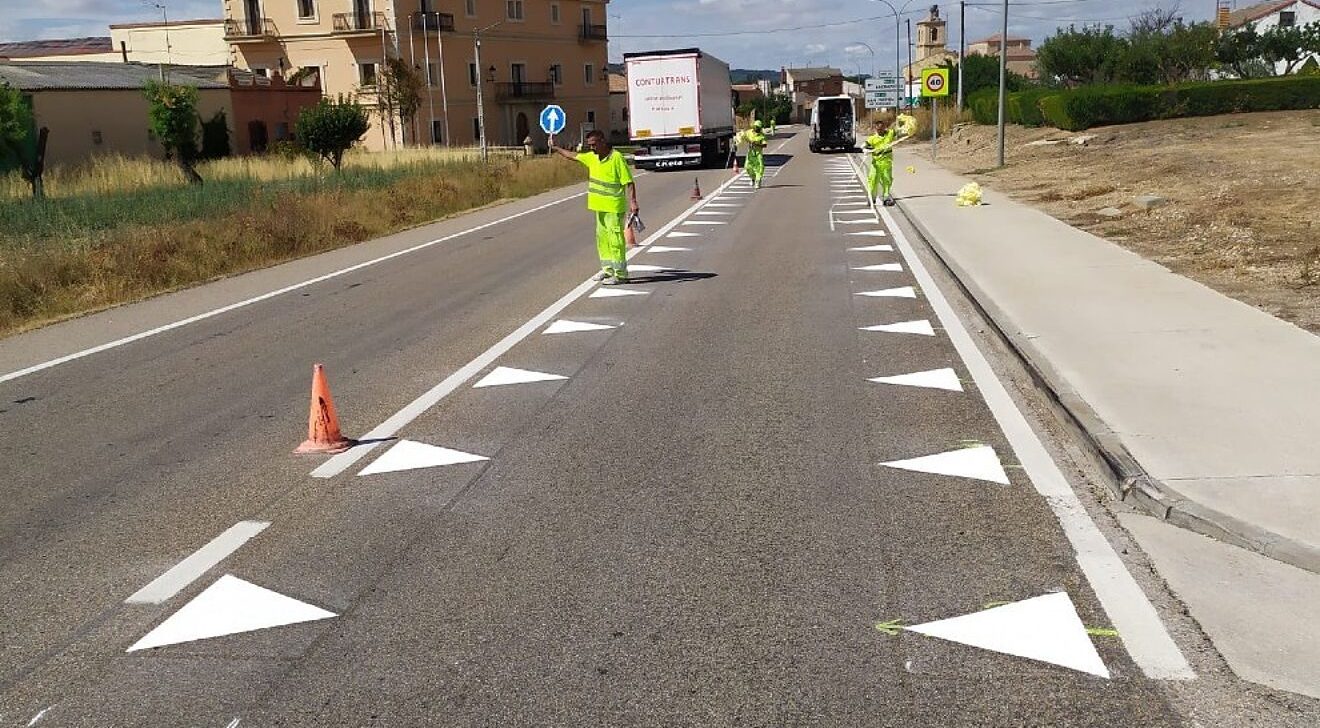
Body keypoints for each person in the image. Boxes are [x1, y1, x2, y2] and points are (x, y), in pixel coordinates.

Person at [550, 130, 640, 285]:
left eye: (594, 144)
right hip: (599, 207)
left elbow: (629, 182)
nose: (591, 148)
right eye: (589, 145)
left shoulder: (616, 158)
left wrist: (633, 202)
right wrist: (556, 147)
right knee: (602, 239)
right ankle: (607, 270)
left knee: (615, 240)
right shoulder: (592, 158)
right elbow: (572, 156)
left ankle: (620, 274)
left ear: (603, 141)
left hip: (613, 207)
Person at [865, 118, 897, 206]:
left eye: (881, 129)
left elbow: (898, 131)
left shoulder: (889, 134)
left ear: (884, 128)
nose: (879, 131)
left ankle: (886, 197)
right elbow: (865, 145)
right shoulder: (872, 138)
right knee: (873, 179)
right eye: (878, 129)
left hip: (887, 163)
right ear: (875, 129)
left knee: (887, 180)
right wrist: (865, 149)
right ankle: (872, 197)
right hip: (876, 163)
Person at [738, 120, 768, 189]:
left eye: (758, 127)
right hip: (750, 153)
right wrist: (740, 136)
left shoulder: (761, 135)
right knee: (748, 167)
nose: (756, 128)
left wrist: (757, 144)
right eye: (756, 127)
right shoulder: (749, 132)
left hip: (758, 154)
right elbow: (744, 136)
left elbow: (765, 145)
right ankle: (753, 178)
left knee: (760, 168)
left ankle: (758, 181)